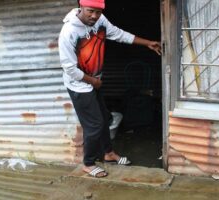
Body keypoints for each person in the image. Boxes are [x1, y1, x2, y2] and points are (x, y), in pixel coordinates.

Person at [58, 0, 161, 178]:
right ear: (81, 7)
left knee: (104, 118)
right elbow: (69, 68)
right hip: (79, 86)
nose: (94, 16)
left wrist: (146, 43)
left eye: (98, 12)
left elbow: (119, 34)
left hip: (94, 81)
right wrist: (93, 81)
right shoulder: (69, 32)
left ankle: (109, 154)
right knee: (94, 125)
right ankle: (88, 163)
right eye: (90, 11)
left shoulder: (100, 21)